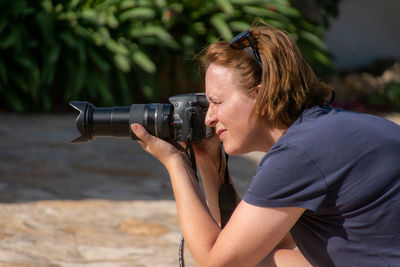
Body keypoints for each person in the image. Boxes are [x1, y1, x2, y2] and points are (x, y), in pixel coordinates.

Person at [130, 21, 400, 267]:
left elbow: (217, 262)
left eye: (217, 102)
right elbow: (260, 246)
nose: (209, 117)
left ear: (261, 96)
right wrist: (208, 161)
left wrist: (175, 162)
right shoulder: (323, 129)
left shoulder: (301, 152)